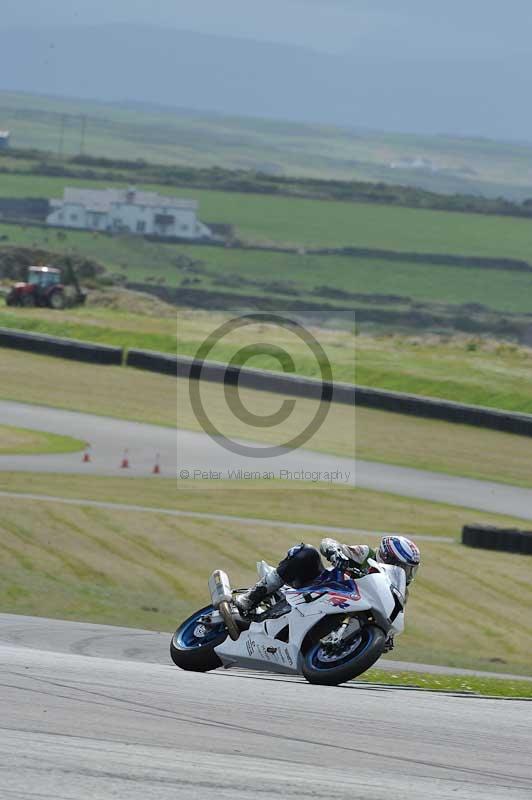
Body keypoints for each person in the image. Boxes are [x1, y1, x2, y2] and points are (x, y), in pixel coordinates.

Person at [236, 535, 420, 615]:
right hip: (320, 587)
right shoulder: (366, 555)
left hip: (347, 611)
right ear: (387, 557)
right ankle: (253, 596)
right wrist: (335, 553)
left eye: (409, 568)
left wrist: (387, 635)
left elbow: (393, 615)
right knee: (306, 552)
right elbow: (328, 543)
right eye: (401, 566)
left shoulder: (398, 590)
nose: (405, 573)